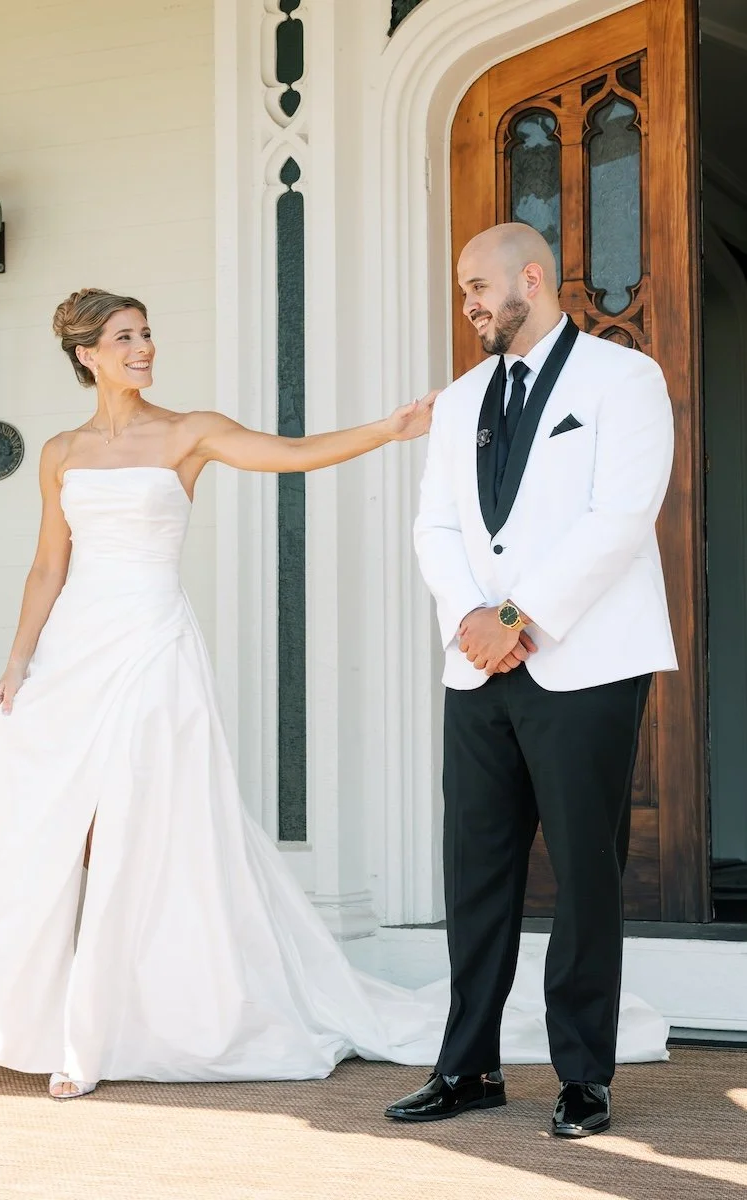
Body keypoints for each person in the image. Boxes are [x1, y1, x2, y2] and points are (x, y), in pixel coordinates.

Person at [0, 286, 448, 1099]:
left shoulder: (189, 433)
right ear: (87, 355)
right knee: (55, 832)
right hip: (73, 654)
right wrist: (18, 661)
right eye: (123, 337)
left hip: (150, 646)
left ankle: (93, 1037)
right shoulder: (61, 451)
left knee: (130, 827)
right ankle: (56, 1015)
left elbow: (292, 451)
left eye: (146, 332)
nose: (143, 348)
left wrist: (388, 430)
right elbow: (48, 565)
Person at [386, 224, 677, 1137]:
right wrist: (475, 622)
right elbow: (434, 527)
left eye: (480, 285)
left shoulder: (624, 378)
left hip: (585, 658)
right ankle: (467, 1066)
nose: (468, 303)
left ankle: (584, 1075)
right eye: (463, 289)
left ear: (532, 277)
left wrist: (519, 618)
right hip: (476, 671)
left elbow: (622, 514)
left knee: (588, 873)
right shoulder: (462, 397)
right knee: (475, 875)